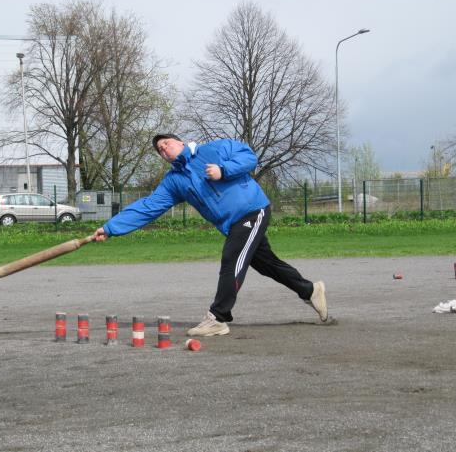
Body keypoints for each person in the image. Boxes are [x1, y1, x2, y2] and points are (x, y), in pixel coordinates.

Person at [92, 134, 327, 337]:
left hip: (253, 210)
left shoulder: (213, 149)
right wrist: (111, 228)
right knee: (267, 265)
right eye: (160, 150)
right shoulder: (174, 181)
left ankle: (218, 318)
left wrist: (223, 171)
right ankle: (309, 290)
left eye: (166, 143)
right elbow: (148, 207)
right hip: (233, 223)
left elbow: (248, 156)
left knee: (232, 257)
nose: (163, 149)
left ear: (180, 141)